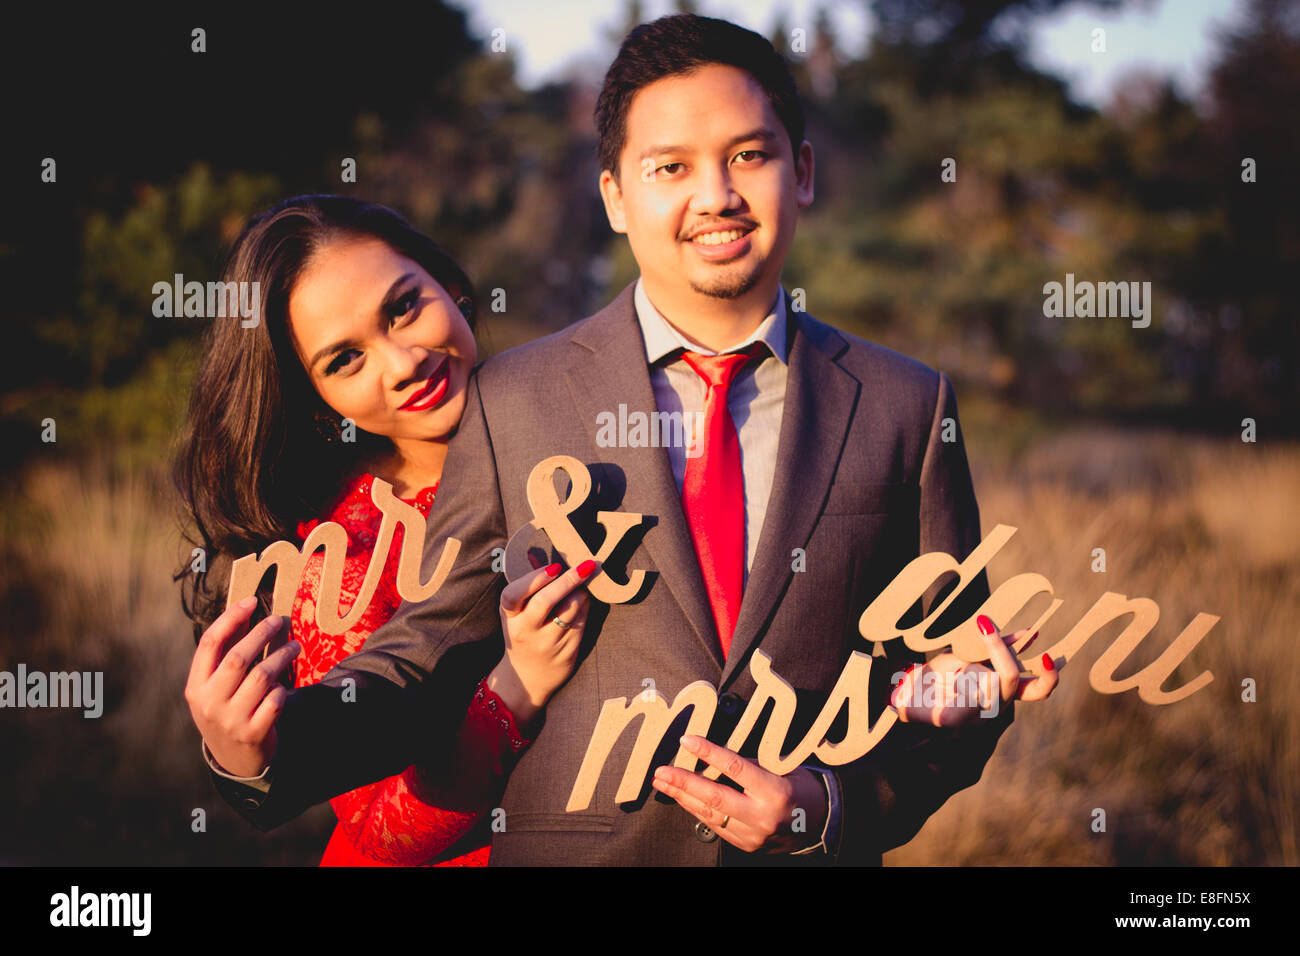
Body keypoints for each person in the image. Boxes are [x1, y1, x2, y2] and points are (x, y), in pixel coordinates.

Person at [206, 15, 1059, 865]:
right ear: (616, 195)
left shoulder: (907, 406)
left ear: (801, 172)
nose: (716, 194)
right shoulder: (513, 401)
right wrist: (261, 747)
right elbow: (422, 655)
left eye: (749, 156)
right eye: (670, 168)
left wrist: (825, 800)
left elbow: (955, 680)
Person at [176, 195, 600, 865]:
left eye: (403, 307)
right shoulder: (348, 555)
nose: (402, 363)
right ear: (318, 402)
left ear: (451, 285)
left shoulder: (571, 422)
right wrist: (517, 688)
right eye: (344, 360)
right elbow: (382, 837)